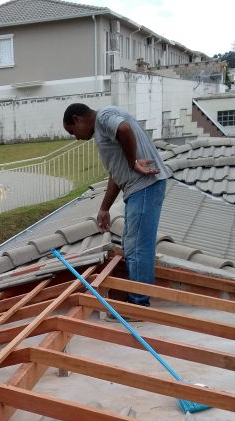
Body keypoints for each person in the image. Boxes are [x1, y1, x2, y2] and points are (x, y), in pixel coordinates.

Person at [62, 103, 170, 308]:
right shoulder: (105, 130)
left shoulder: (103, 117)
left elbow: (124, 129)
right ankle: (136, 298)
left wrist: (132, 163)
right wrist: (104, 208)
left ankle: (138, 305)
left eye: (72, 131)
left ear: (78, 119)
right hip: (139, 188)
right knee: (131, 244)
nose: (75, 137)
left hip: (145, 186)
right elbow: (116, 174)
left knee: (138, 248)